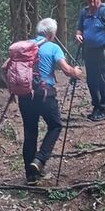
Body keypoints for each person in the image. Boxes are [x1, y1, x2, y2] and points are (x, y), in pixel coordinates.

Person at [19, 18, 83, 184]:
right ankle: (40, 159)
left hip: (25, 96)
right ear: (51, 33)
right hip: (44, 95)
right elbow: (66, 70)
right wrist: (76, 72)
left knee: (30, 132)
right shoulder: (53, 47)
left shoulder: (25, 46)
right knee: (55, 125)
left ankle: (30, 175)